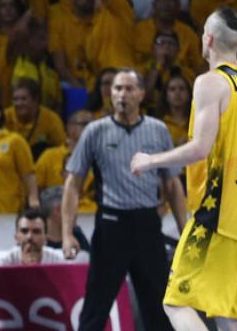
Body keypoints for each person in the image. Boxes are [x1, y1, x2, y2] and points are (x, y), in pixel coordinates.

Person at [132, 8, 237, 331]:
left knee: (177, 303)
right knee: (225, 310)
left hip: (218, 212)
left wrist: (151, 160)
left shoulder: (210, 83)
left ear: (209, 39)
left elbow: (200, 147)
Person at [63, 69, 187, 331]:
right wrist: (67, 233)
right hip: (111, 225)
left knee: (158, 307)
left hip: (147, 225)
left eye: (129, 89)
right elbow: (73, 184)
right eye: (117, 88)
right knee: (96, 306)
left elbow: (172, 184)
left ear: (142, 94)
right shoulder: (95, 131)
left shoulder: (158, 130)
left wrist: (184, 229)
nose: (122, 94)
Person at [0, 208, 67, 265]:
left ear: (46, 238)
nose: (29, 237)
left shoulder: (57, 262)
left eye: (36, 232)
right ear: (16, 237)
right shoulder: (5, 263)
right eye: (24, 231)